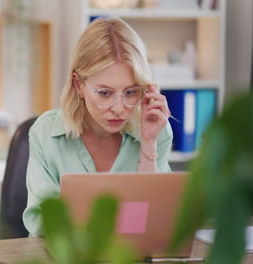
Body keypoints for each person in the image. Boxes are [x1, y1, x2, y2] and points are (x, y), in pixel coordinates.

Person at [22, 17, 173, 237]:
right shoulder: (46, 133)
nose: (119, 108)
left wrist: (148, 146)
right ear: (78, 85)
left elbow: (152, 224)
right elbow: (42, 222)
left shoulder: (156, 131)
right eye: (105, 93)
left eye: (131, 92)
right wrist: (119, 226)